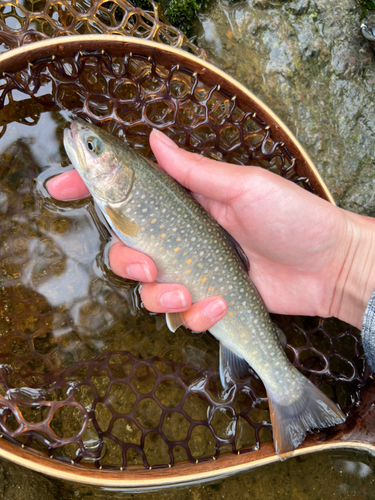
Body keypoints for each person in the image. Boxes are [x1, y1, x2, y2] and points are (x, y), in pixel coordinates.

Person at [47, 129, 375, 345]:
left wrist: (347, 260)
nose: (83, 142)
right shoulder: (117, 193)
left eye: (92, 146)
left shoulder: (120, 201)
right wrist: (346, 261)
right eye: (92, 145)